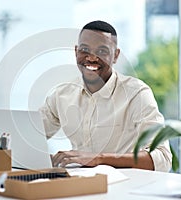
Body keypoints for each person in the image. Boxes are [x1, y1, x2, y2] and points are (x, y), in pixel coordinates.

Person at [39, 20, 172, 172]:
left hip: (125, 186)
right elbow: (27, 137)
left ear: (115, 55)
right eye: (84, 50)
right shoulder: (61, 95)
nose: (91, 58)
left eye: (102, 51)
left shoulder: (137, 93)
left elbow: (162, 158)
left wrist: (98, 159)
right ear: (76, 52)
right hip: (78, 184)